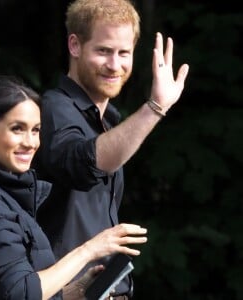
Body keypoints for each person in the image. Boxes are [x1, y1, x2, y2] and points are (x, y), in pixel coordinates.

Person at [32, 0, 189, 298]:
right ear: (75, 45)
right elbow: (86, 163)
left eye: (123, 53)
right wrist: (155, 108)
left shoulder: (110, 120)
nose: (114, 65)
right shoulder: (52, 109)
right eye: (103, 51)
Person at [0, 74, 148, 300]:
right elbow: (19, 293)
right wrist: (89, 250)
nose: (30, 143)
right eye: (17, 129)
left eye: (36, 130)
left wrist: (75, 291)